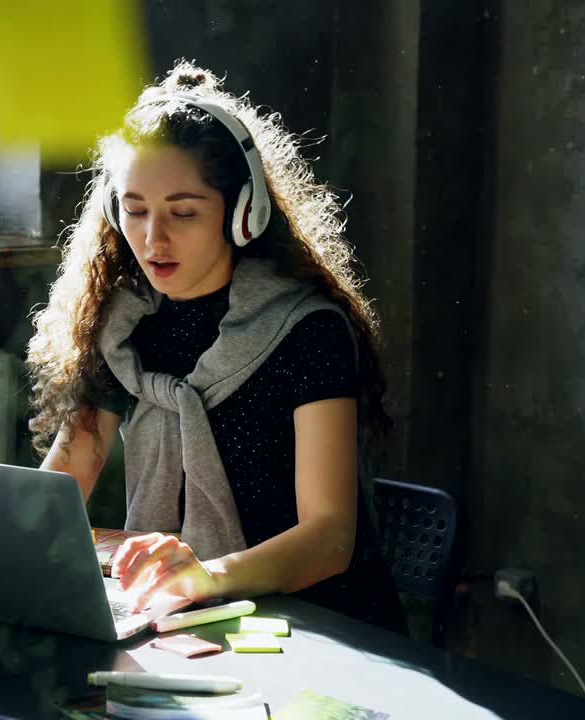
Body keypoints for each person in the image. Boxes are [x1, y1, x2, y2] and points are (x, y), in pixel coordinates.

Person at [27, 60, 406, 633]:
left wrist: (206, 575)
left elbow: (329, 539)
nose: (153, 238)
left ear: (242, 213)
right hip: (193, 617)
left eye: (183, 212)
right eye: (134, 210)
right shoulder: (122, 328)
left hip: (326, 628)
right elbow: (62, 483)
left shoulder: (308, 330)